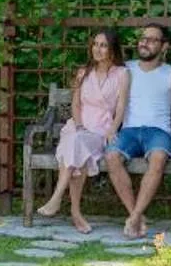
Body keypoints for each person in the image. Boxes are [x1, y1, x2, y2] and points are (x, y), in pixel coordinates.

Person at [107, 23, 171, 239]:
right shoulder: (125, 69)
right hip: (129, 130)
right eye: (143, 38)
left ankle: (134, 217)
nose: (144, 42)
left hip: (157, 131)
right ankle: (136, 216)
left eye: (152, 39)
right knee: (111, 156)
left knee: (158, 158)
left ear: (164, 46)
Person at [37, 29, 133, 232]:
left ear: (112, 49)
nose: (98, 49)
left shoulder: (122, 74)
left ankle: (58, 200)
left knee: (77, 147)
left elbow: (122, 107)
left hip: (100, 131)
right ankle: (74, 212)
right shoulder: (83, 73)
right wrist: (79, 126)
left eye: (103, 45)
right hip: (78, 126)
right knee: (76, 144)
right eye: (95, 44)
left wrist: (113, 129)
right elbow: (76, 105)